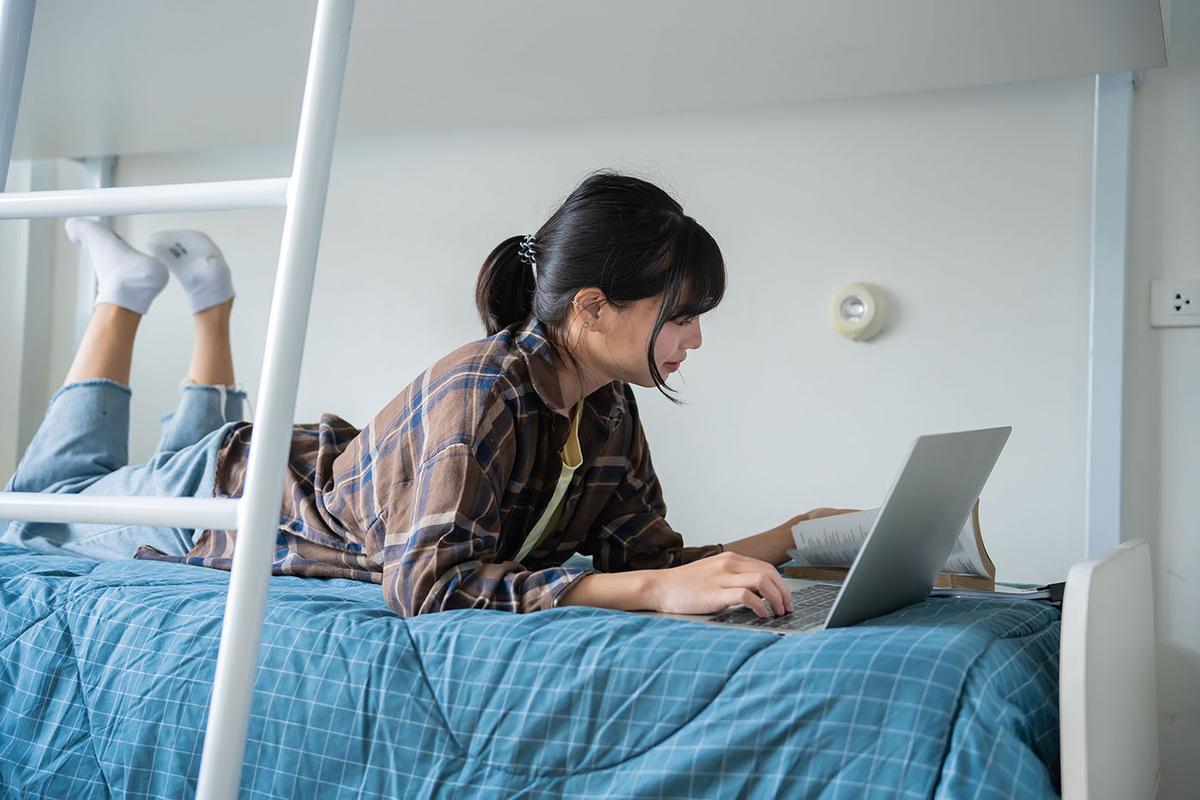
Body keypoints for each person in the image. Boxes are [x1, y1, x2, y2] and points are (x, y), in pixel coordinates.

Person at [1, 170, 853, 619]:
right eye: (682, 317)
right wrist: (638, 592)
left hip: (264, 459)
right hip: (227, 495)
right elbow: (429, 584)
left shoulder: (607, 407)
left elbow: (650, 560)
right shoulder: (485, 388)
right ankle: (124, 297)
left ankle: (204, 307)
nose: (696, 338)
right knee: (37, 511)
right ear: (593, 309)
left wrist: (796, 537)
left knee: (72, 497)